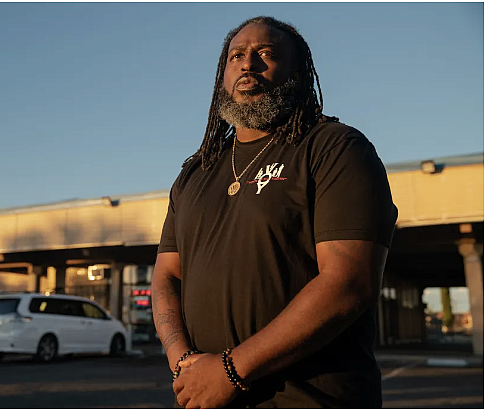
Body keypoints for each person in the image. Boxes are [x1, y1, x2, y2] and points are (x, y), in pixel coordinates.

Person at [152, 15, 398, 409]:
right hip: (206, 398)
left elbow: (349, 282)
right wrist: (184, 364)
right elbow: (166, 275)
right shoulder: (195, 171)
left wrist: (231, 370)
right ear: (222, 75)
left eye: (266, 53)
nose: (248, 63)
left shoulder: (335, 148)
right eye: (237, 55)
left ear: (297, 72)